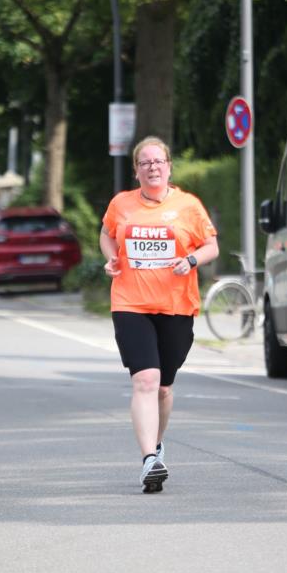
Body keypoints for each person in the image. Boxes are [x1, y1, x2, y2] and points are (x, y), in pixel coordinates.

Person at [100, 136, 219, 492]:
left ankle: (156, 445)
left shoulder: (188, 206)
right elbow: (106, 234)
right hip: (130, 303)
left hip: (176, 305)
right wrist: (111, 256)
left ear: (168, 167)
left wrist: (192, 260)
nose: (153, 167)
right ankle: (149, 458)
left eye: (158, 161)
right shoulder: (122, 204)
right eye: (145, 162)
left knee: (164, 389)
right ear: (136, 171)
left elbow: (211, 245)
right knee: (145, 380)